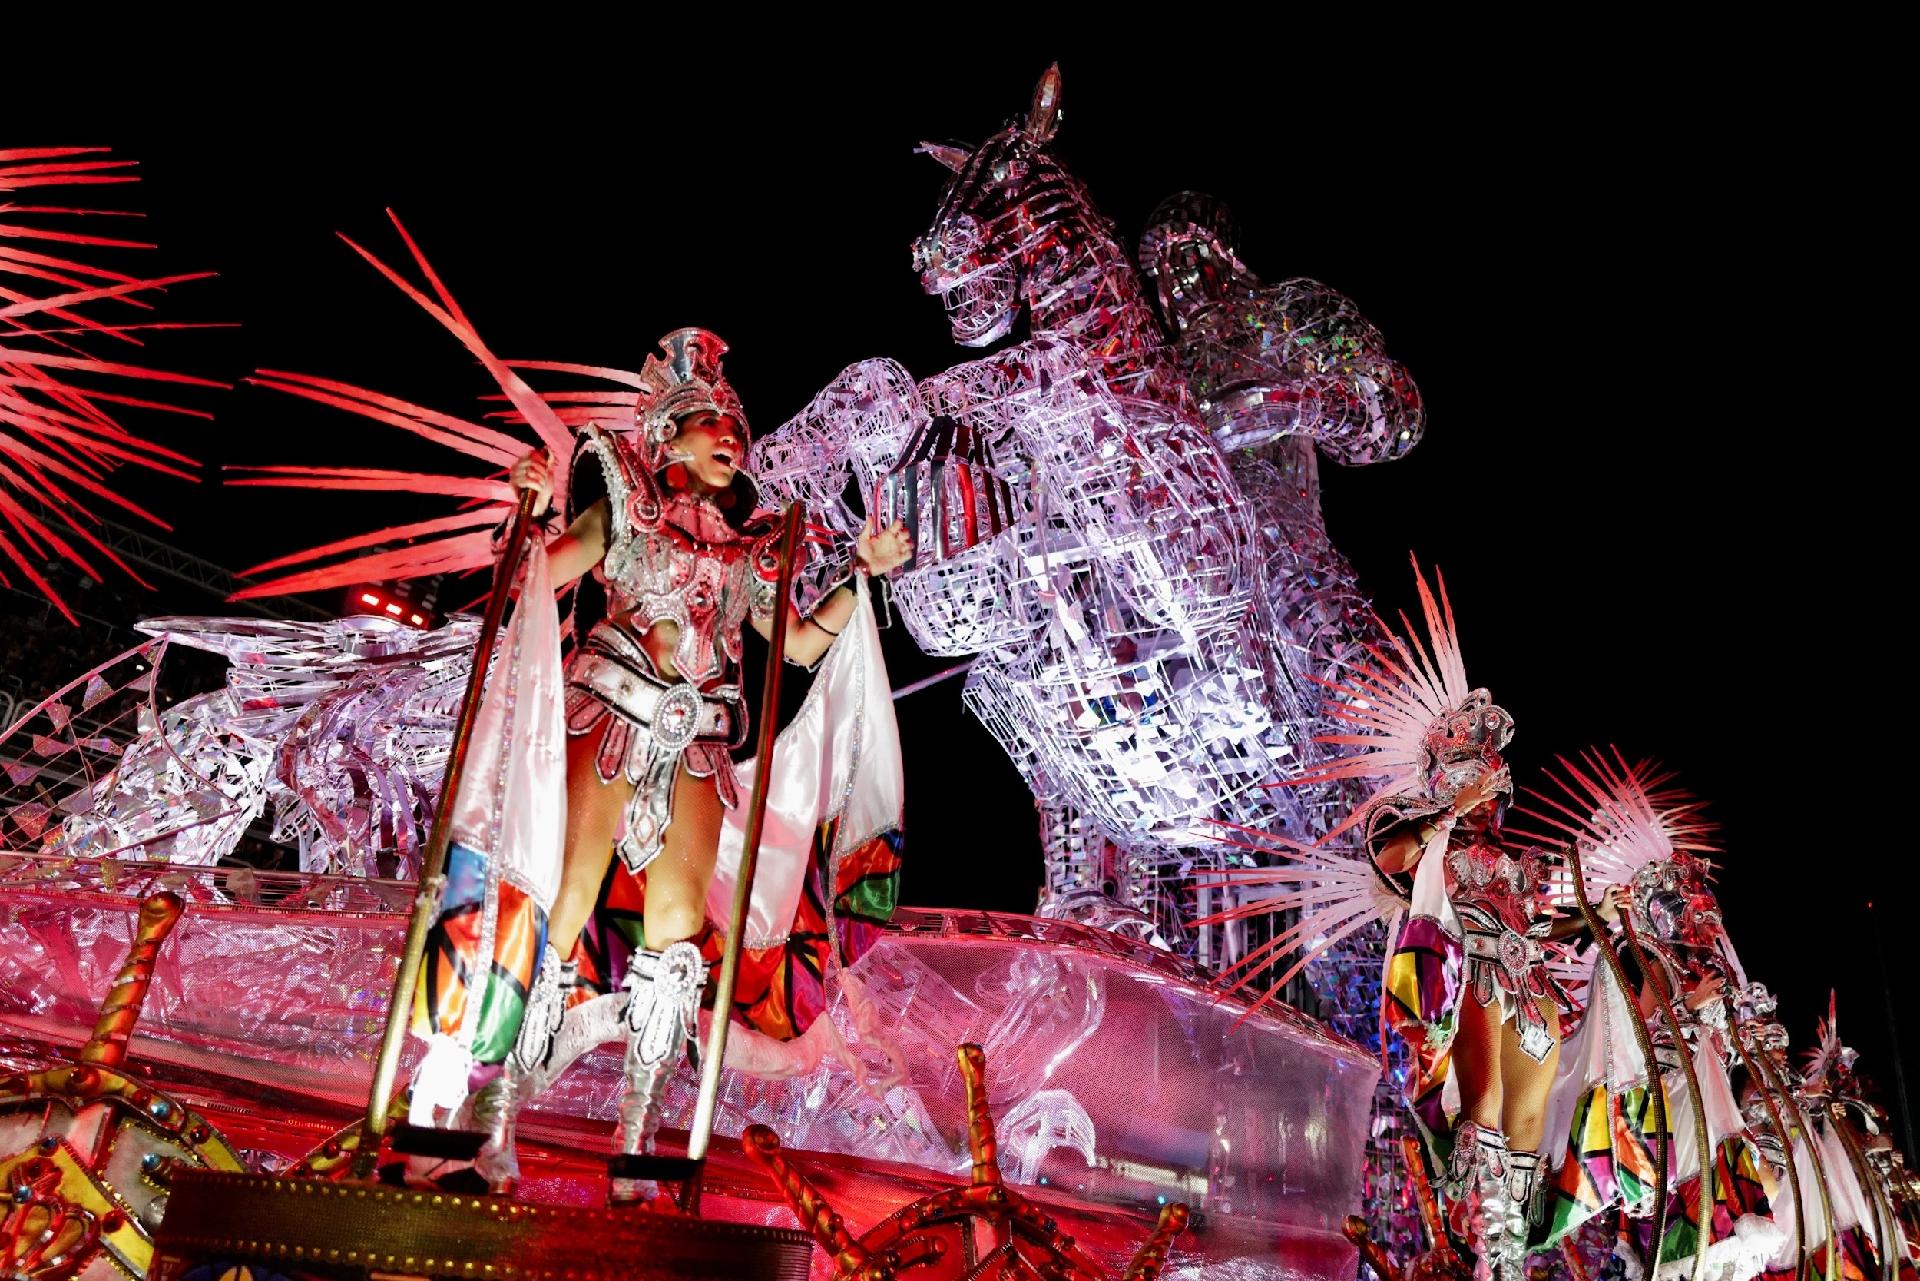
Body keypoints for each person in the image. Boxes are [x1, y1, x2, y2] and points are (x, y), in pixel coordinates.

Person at [502, 328, 912, 1173]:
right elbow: (547, 572)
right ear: (667, 435)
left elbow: (796, 645)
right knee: (567, 900)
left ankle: (636, 1145)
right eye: (711, 422)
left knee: (676, 939)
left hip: (699, 741)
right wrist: (531, 518)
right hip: (608, 713)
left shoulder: (750, 547)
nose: (733, 438)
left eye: (737, 428)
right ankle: (498, 1106)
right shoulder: (623, 503)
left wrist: (861, 579)